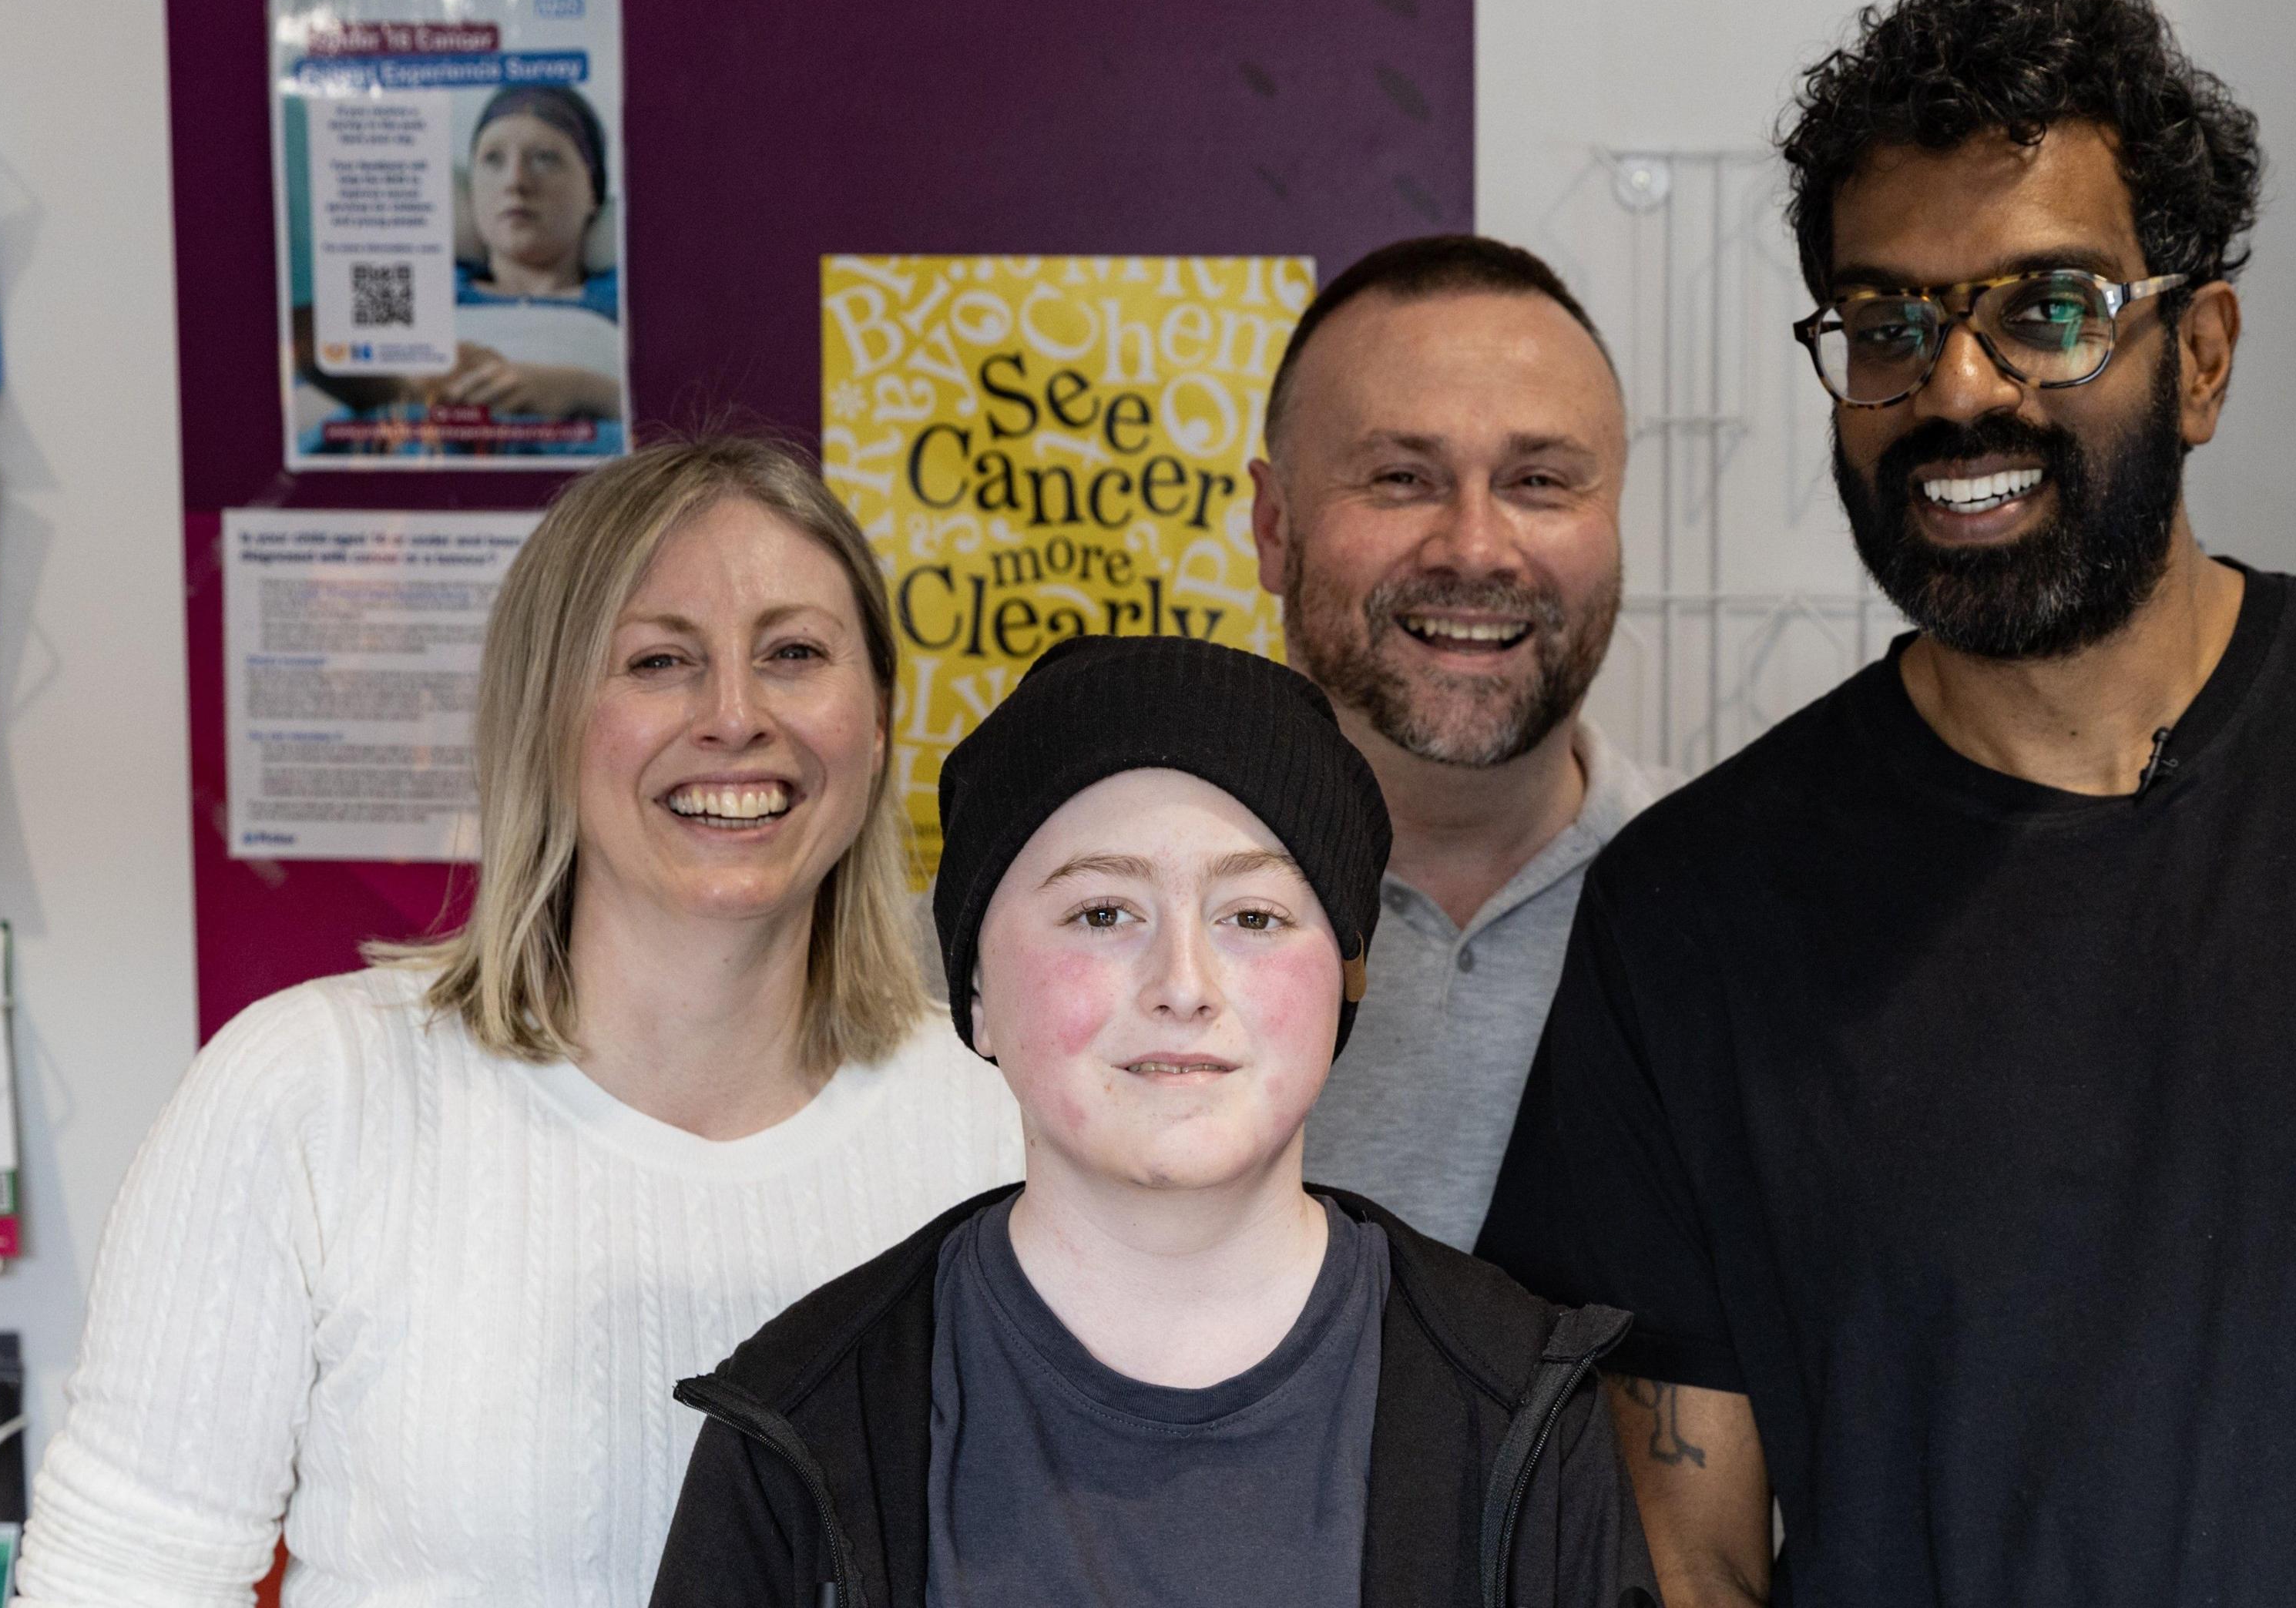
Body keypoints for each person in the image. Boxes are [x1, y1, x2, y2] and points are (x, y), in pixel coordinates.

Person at [1476, 0, 2296, 1608]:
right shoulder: (1694, 914)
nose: (1957, 387)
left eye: (2048, 308)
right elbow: (1682, 1554)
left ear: (2201, 353)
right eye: (1887, 323)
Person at [14, 436, 1026, 1605]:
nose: (736, 715)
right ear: (545, 715)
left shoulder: (1001, 1127)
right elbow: (121, 1582)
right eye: (659, 660)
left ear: (881, 720)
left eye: (795, 652)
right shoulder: (311, 1091)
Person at [650, 636, 1657, 1606]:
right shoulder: (802, 1418)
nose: (1184, 983)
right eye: (1101, 913)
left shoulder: (1521, 1400)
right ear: (978, 993)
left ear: (1345, 980)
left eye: (1254, 917)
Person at [1251, 235, 1657, 1249]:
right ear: (1272, 526)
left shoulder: (1745, 911)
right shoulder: (1071, 943)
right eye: (1400, 477)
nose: (1475, 546)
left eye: (1540, 481)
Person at [441, 84, 624, 429]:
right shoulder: (426, 297)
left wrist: (579, 390)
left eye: (544, 158)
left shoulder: (629, 304)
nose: (515, 181)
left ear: (593, 192)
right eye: (493, 159)